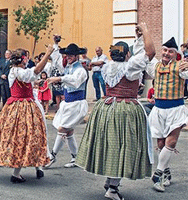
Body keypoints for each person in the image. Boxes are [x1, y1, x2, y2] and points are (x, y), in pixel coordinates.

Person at [76, 22, 156, 200]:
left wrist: (139, 38)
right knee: (123, 147)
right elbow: (150, 53)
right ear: (127, 54)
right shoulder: (129, 67)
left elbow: (136, 55)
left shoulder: (106, 66)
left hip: (106, 107)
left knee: (111, 145)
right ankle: (112, 188)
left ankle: (110, 181)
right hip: (124, 109)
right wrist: (146, 29)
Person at [0, 46, 53, 183]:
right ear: (22, 60)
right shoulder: (17, 71)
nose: (27, 60)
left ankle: (38, 167)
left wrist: (35, 83)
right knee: (23, 137)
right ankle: (17, 173)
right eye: (25, 58)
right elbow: (35, 71)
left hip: (23, 105)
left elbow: (28, 79)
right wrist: (47, 54)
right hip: (22, 106)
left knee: (33, 136)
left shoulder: (18, 71)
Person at [146, 36, 188, 192]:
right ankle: (166, 173)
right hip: (158, 109)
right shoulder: (155, 66)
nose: (166, 53)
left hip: (175, 109)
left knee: (171, 143)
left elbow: (187, 73)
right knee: (161, 145)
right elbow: (146, 56)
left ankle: (157, 175)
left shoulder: (180, 67)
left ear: (175, 54)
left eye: (170, 51)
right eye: (165, 50)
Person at [45, 42, 88, 168]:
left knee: (62, 129)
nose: (68, 57)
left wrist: (59, 79)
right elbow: (57, 60)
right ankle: (75, 157)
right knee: (68, 131)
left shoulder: (80, 70)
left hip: (77, 104)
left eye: (71, 55)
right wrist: (55, 45)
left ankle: (52, 155)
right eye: (67, 55)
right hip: (68, 103)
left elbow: (75, 81)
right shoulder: (68, 67)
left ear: (77, 56)